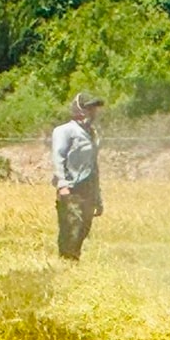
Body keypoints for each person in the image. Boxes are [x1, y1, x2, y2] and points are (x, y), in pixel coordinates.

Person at [51, 91, 104, 260]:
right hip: (71, 187)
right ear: (78, 109)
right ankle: (67, 262)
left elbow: (93, 165)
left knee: (84, 228)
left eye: (94, 108)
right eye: (88, 108)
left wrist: (98, 197)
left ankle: (73, 260)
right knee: (71, 226)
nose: (92, 112)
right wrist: (63, 185)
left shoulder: (93, 133)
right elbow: (58, 158)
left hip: (88, 186)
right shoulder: (64, 131)